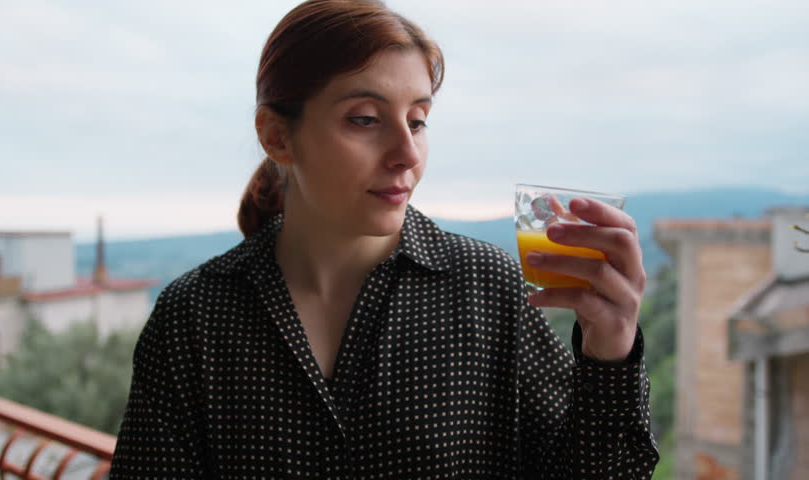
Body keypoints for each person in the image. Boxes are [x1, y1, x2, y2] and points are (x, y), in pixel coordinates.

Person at [109, 0, 659, 478]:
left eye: (418, 120)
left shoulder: (487, 291)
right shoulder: (193, 319)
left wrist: (609, 351)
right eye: (366, 119)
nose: (408, 154)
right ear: (277, 137)